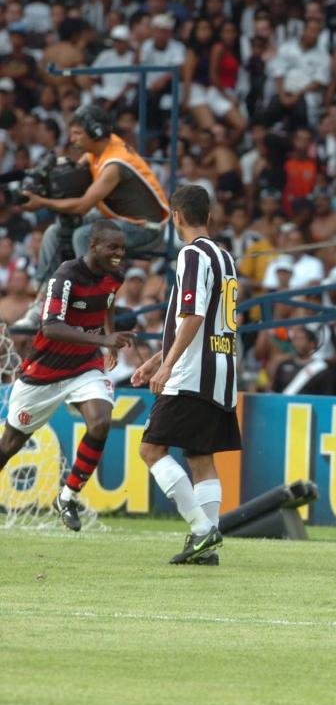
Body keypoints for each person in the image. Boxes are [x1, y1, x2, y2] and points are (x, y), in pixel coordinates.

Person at [131, 185, 241, 566]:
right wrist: (153, 360)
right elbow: (203, 321)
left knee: (151, 448)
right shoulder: (225, 258)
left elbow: (193, 318)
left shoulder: (191, 255)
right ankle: (205, 548)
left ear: (176, 216)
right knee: (200, 457)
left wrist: (165, 365)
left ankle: (202, 529)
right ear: (208, 216)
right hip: (222, 370)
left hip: (193, 373)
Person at [0, 222, 133, 531]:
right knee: (8, 446)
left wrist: (109, 339)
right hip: (44, 372)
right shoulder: (66, 277)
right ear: (94, 245)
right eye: (113, 247)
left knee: (101, 422)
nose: (119, 254)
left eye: (123, 248)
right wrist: (103, 341)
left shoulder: (115, 277)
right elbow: (50, 327)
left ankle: (68, 496)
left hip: (85, 367)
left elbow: (107, 304)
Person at [17, 105, 169, 328]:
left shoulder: (115, 165)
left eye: (78, 133)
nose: (72, 139)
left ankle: (88, 301)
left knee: (82, 235)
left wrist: (42, 202)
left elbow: (82, 205)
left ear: (96, 132)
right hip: (118, 220)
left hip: (146, 229)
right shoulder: (97, 150)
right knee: (55, 231)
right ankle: (44, 299)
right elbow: (72, 179)